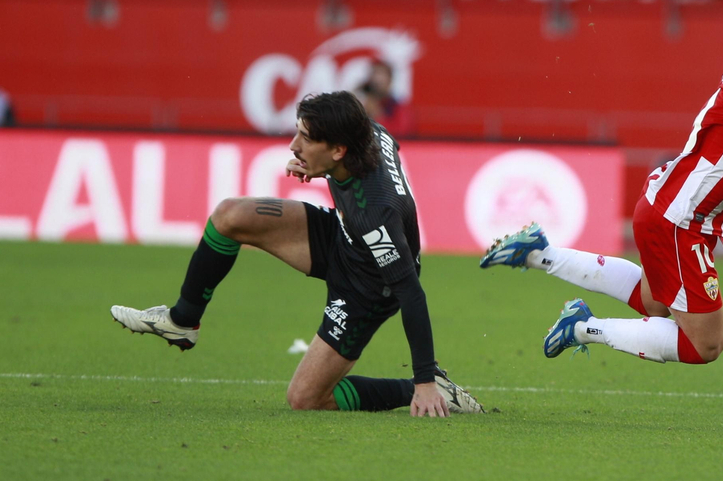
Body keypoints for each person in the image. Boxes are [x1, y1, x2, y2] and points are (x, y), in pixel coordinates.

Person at [479, 1, 723, 366]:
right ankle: (582, 328)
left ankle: (539, 253)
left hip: (672, 210)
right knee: (706, 345)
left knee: (652, 301)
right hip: (680, 220)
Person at [110, 91, 481, 417]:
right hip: (342, 237)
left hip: (367, 288)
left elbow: (411, 293)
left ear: (337, 150)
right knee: (230, 215)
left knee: (305, 398)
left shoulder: (377, 216)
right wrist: (320, 170)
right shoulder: (368, 133)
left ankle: (435, 389)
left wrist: (423, 379)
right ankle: (182, 321)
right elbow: (372, 159)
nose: (292, 145)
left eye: (305, 139)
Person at [358, 59, 414, 138]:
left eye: (381, 75)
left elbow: (402, 132)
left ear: (390, 80)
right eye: (374, 74)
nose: (377, 80)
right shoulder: (363, 104)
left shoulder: (398, 107)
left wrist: (377, 114)